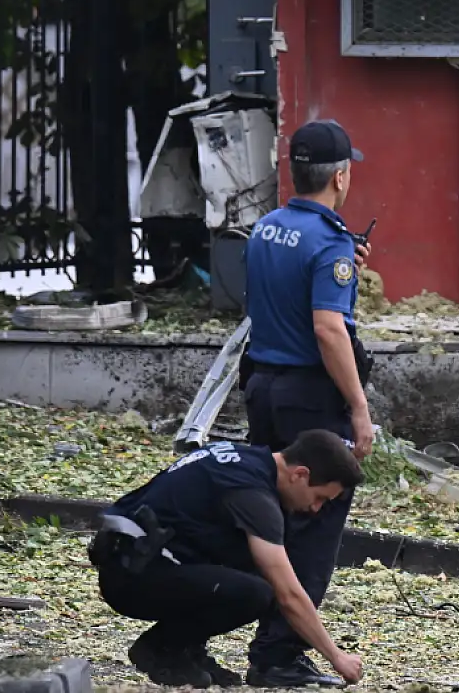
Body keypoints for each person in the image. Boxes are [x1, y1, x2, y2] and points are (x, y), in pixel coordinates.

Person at [237, 118, 375, 688]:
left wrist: (345, 275)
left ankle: (263, 636)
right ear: (341, 177)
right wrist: (360, 409)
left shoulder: (267, 228)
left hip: (263, 387)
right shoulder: (331, 242)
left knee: (271, 516)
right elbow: (327, 329)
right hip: (309, 398)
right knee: (317, 521)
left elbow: (280, 297)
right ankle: (278, 653)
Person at [91, 430, 367, 689]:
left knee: (258, 561)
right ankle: (164, 649)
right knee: (258, 592)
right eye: (319, 497)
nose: (316, 509)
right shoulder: (252, 496)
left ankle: (189, 650)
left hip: (135, 560)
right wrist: (336, 656)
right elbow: (289, 596)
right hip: (130, 577)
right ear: (300, 474)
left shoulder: (248, 459)